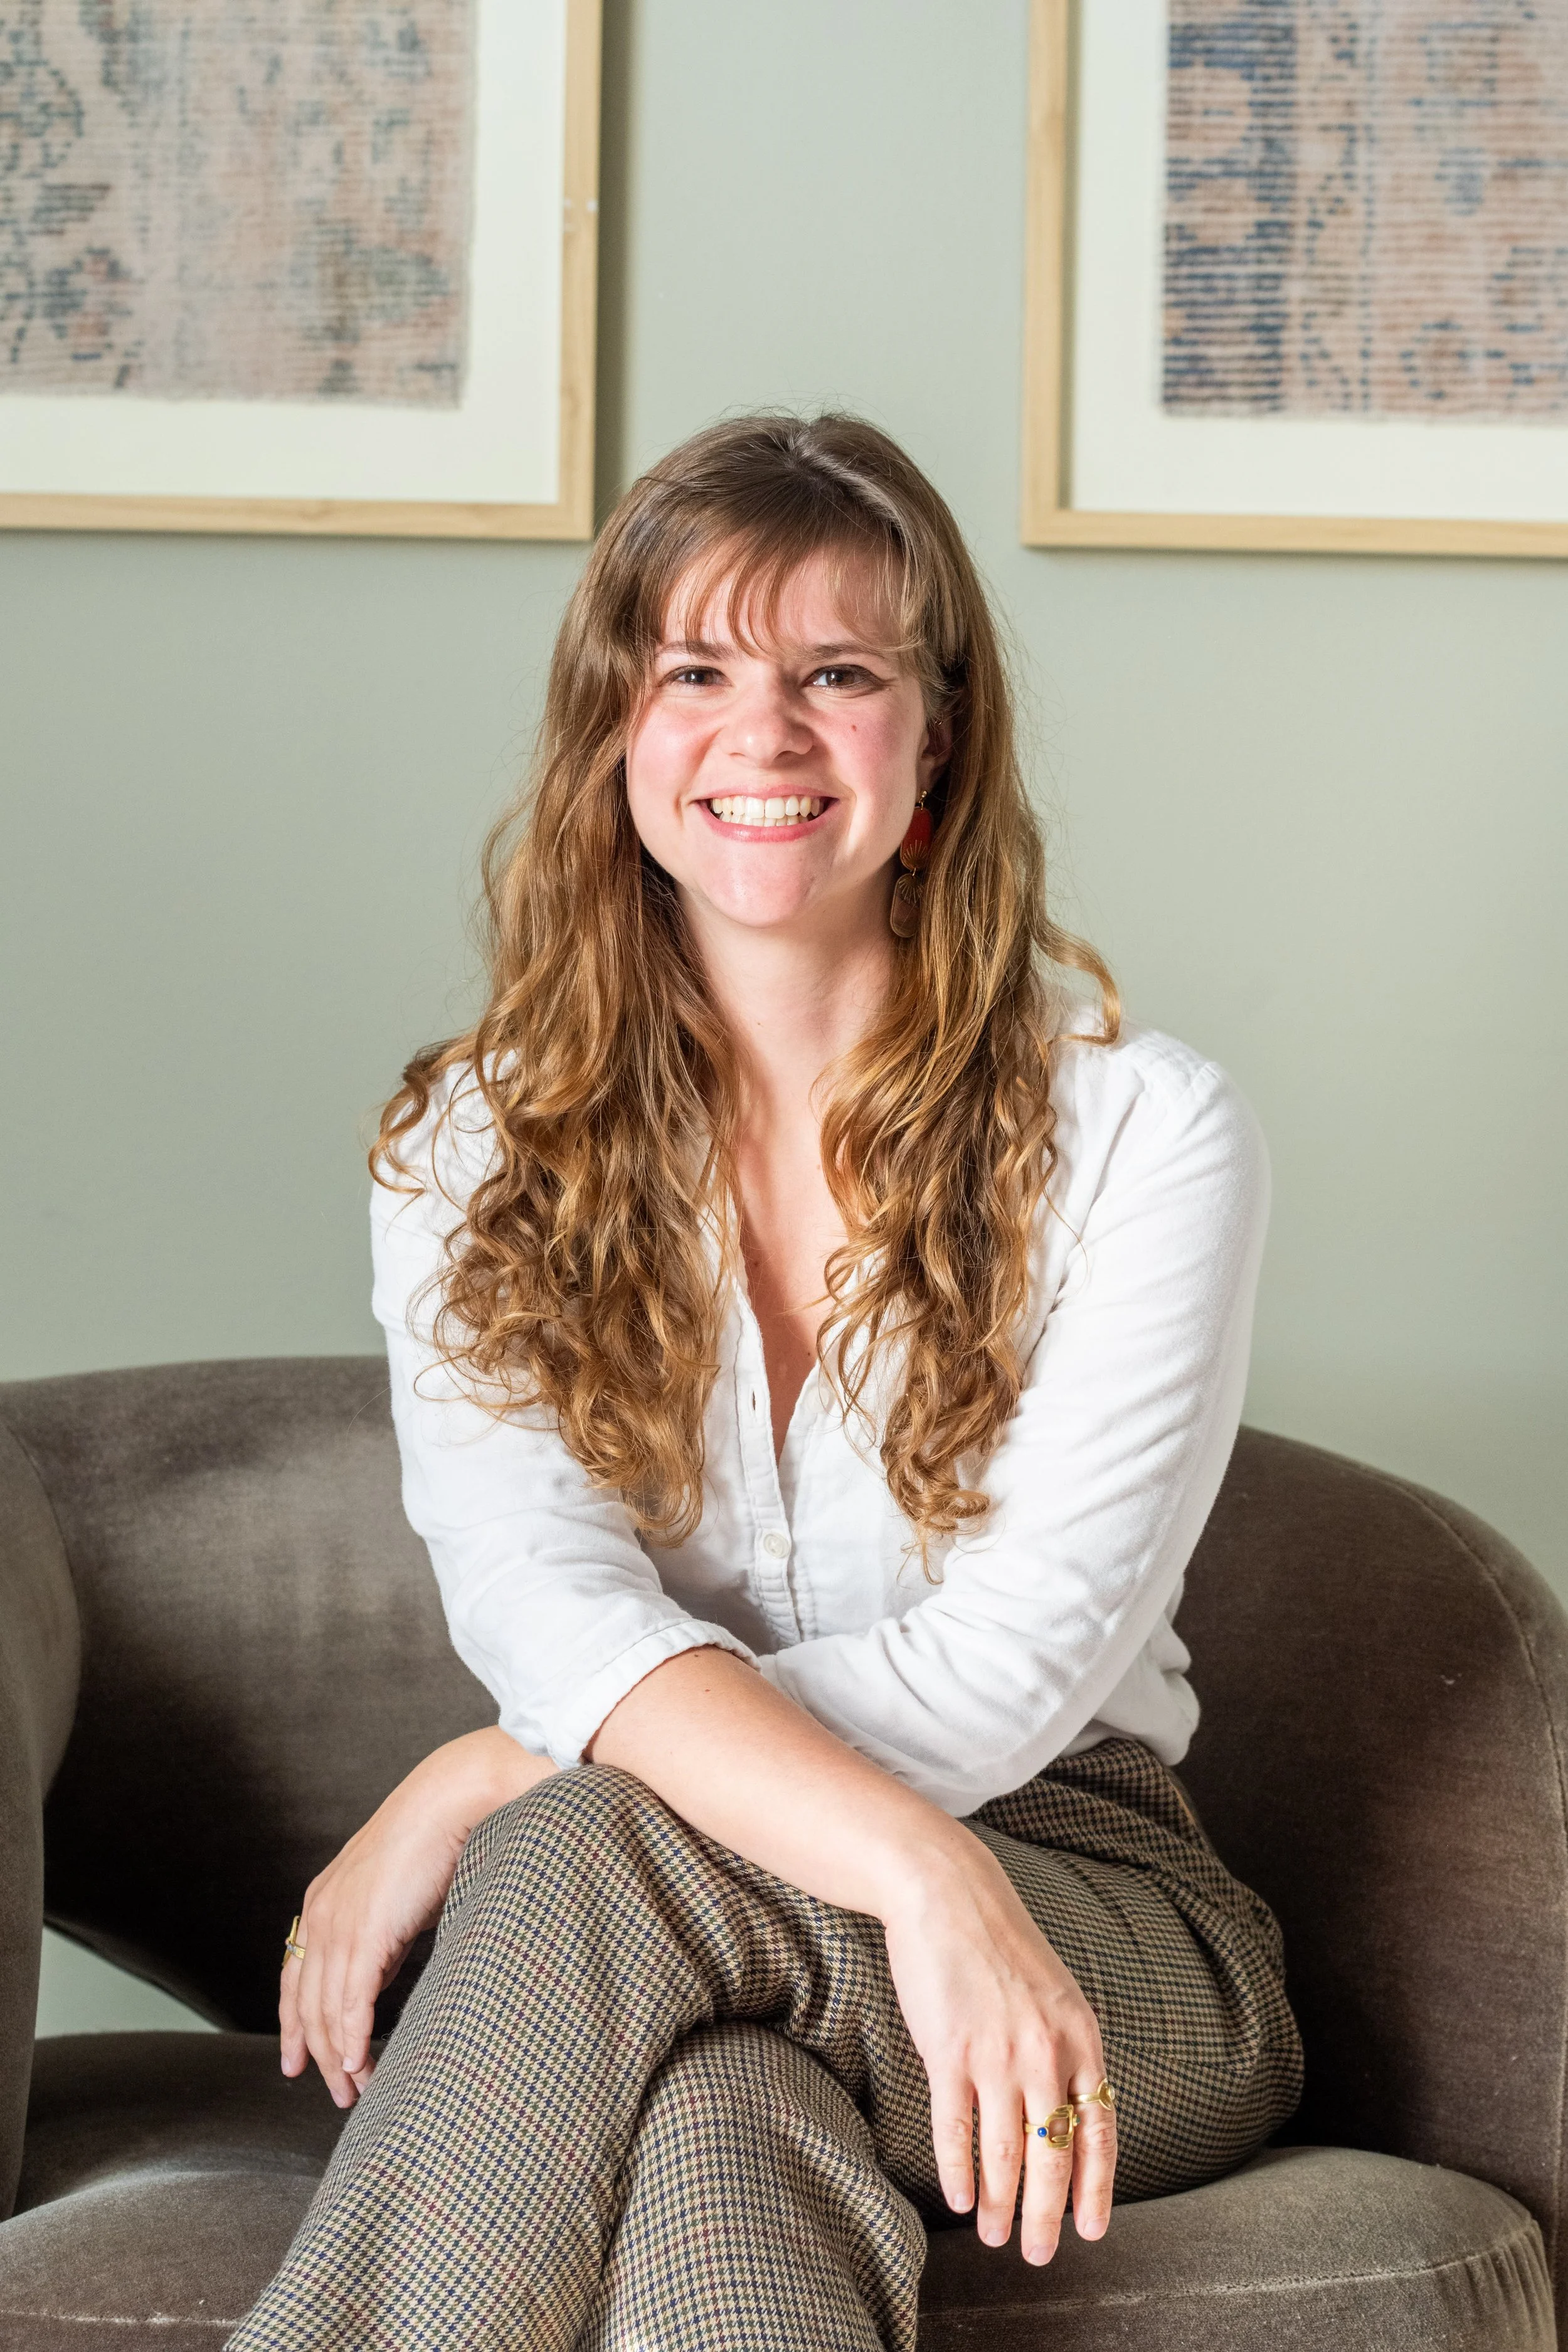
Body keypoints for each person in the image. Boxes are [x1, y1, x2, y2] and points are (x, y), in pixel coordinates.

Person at [228, 413, 1302, 2352]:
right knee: (728, 2132)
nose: (765, 732)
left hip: (1091, 1898)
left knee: (573, 1843)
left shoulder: (1144, 1133)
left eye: (838, 672)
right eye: (696, 672)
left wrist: (504, 1758)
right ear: (612, 735)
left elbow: (1013, 1666)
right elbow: (536, 1596)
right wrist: (906, 1866)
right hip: (820, 1921)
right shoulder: (467, 1147)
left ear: (936, 733)